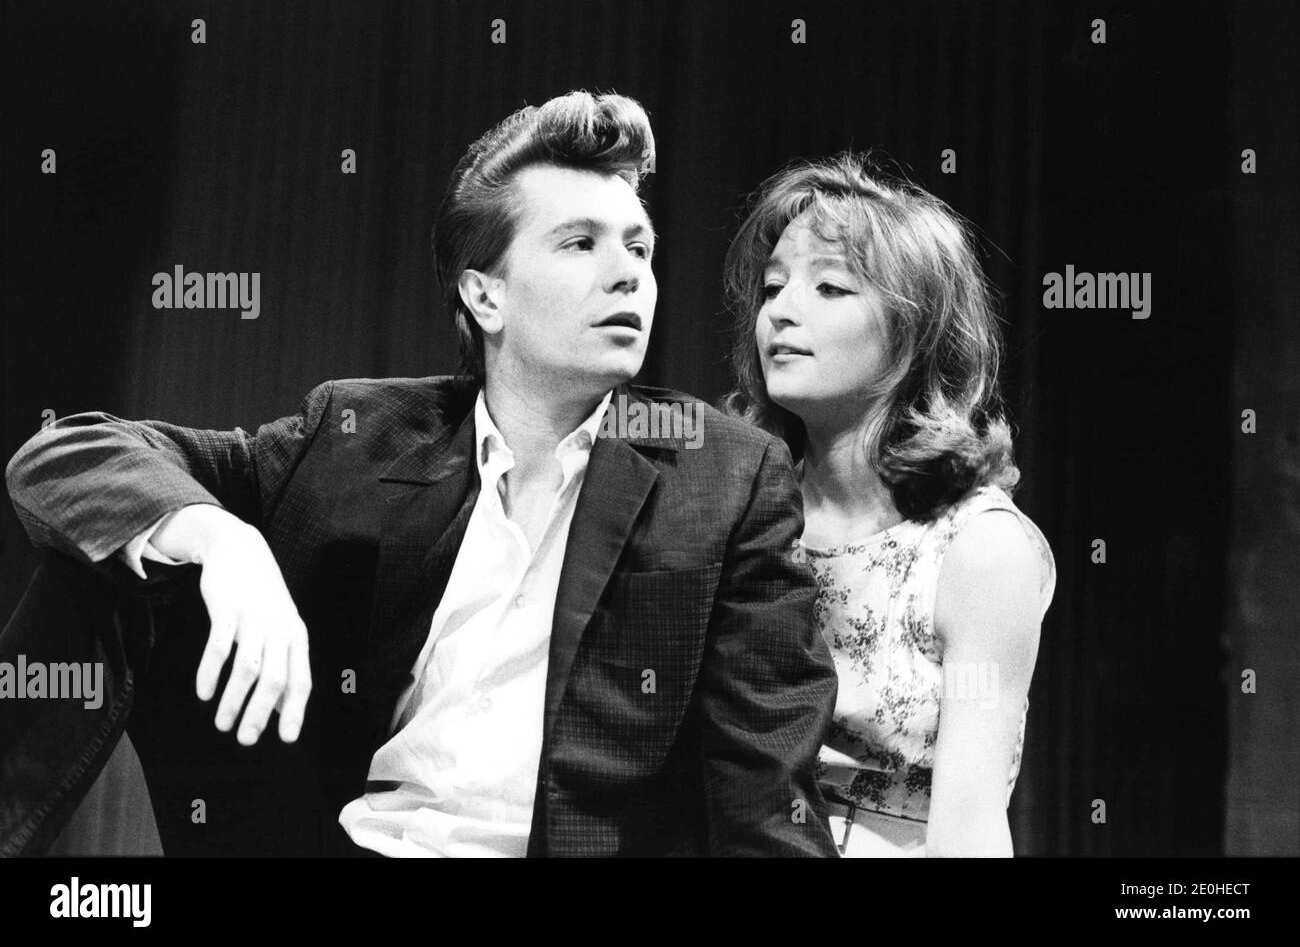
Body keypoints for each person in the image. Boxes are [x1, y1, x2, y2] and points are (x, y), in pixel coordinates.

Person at [3, 91, 839, 857]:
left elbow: (764, 790)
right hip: (348, 842)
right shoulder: (362, 433)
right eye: (580, 243)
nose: (629, 273)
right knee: (110, 550)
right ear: (485, 297)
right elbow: (67, 455)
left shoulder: (725, 472)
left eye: (640, 247)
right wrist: (226, 544)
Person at [724, 153, 1057, 857]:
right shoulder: (738, 510)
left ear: (913, 335)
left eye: (831, 287)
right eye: (774, 285)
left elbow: (968, 830)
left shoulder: (978, 551)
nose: (781, 309)